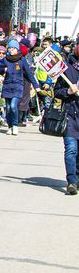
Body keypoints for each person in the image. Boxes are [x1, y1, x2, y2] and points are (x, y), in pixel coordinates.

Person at [0, 44, 38, 136]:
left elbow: (29, 73)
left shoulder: (22, 59)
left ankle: (15, 125)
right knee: (8, 108)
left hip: (18, 85)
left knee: (13, 106)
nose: (11, 50)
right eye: (10, 48)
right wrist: (3, 69)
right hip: (7, 86)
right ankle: (10, 126)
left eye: (13, 48)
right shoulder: (6, 59)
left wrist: (36, 85)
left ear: (16, 49)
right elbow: (0, 70)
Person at [54, 53, 79, 194]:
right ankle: (72, 181)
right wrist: (68, 91)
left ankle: (77, 177)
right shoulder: (67, 70)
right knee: (71, 150)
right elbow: (56, 91)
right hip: (70, 117)